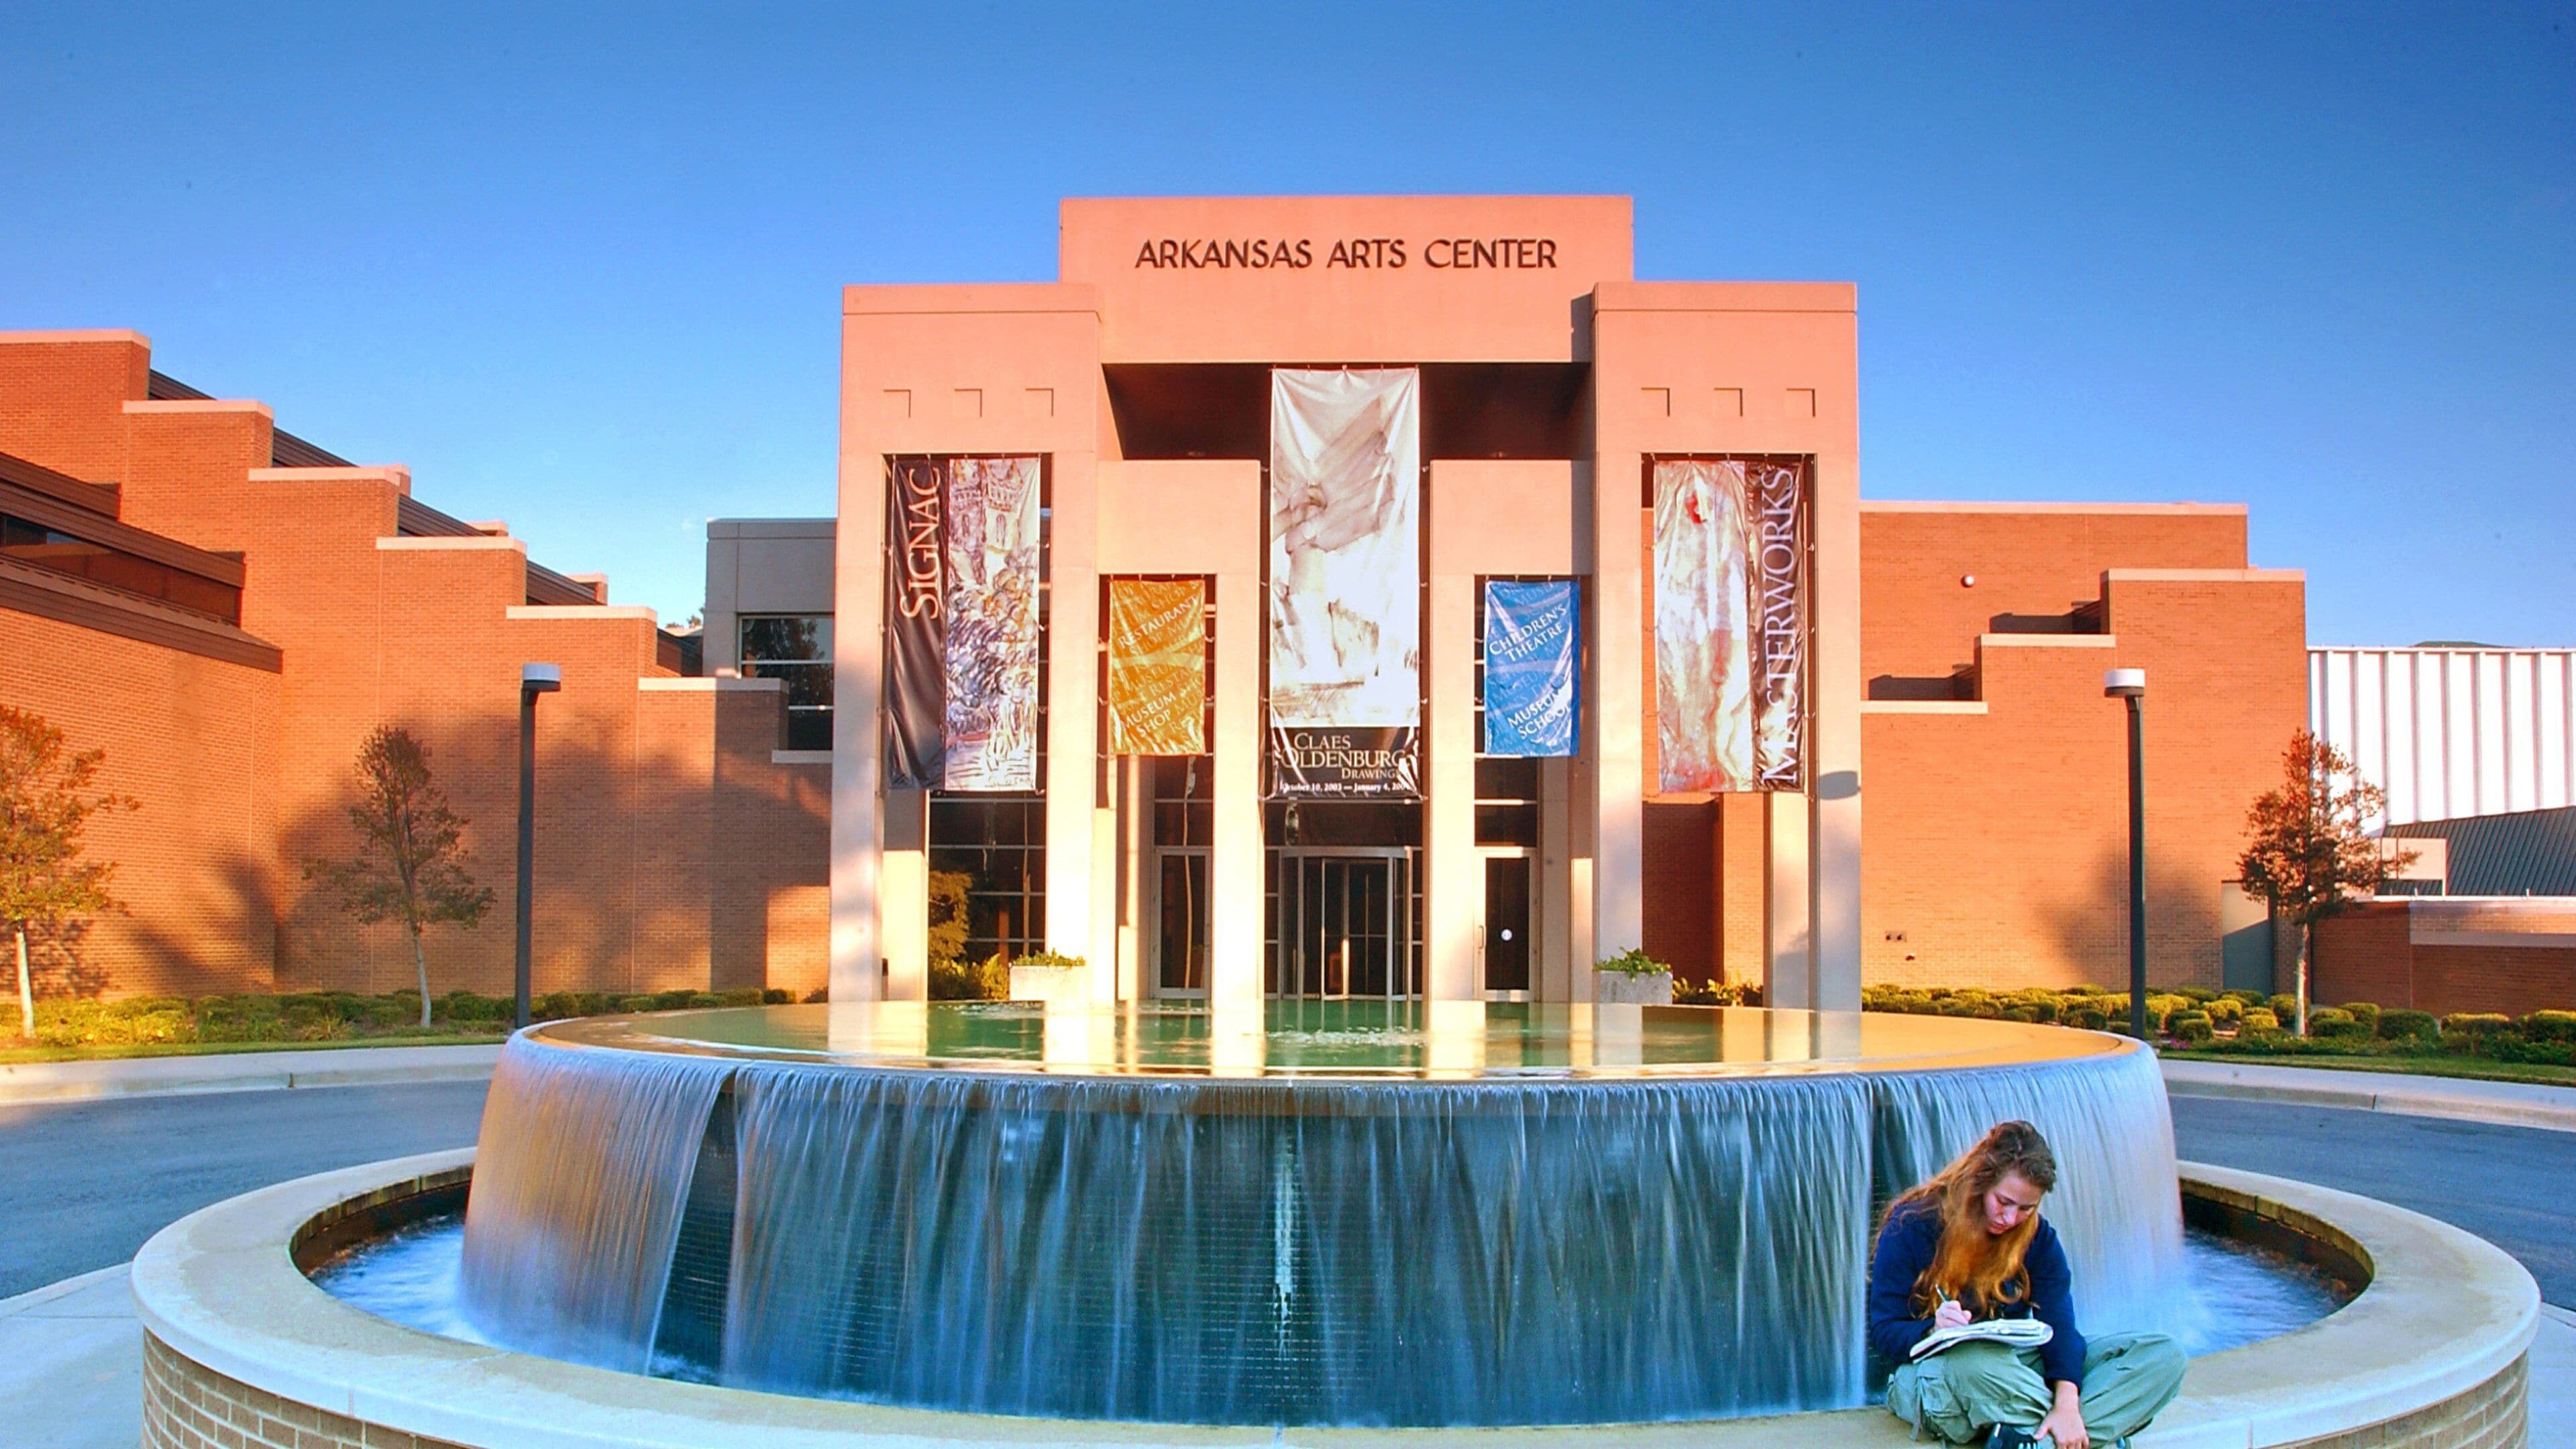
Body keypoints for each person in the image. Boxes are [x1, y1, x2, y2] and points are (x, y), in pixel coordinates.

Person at [1867, 1121, 2186, 1448]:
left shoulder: (2039, 1239)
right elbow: (1883, 1330)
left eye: (2025, 1208)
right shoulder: (1912, 1225)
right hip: (1940, 1375)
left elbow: (2060, 1328)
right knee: (1975, 1362)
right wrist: (1934, 1329)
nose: (2010, 1218)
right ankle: (2075, 1437)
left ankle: (2037, 1439)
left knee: (2163, 1356)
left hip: (2013, 1370)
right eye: (2003, 1202)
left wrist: (2067, 1404)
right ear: (1980, 1182)